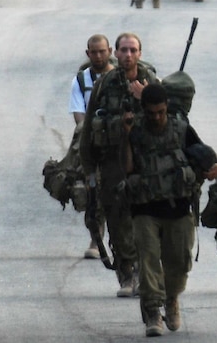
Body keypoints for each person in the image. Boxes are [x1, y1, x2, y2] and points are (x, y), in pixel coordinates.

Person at [122, 83, 217, 336]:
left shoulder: (181, 130)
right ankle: (153, 310)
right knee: (148, 262)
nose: (156, 117)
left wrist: (216, 168)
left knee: (178, 264)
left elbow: (206, 156)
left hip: (178, 208)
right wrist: (126, 135)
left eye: (160, 111)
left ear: (167, 107)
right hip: (145, 208)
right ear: (143, 110)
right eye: (151, 113)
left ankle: (172, 299)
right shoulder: (135, 132)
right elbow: (127, 168)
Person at [80, 32, 158, 297]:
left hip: (147, 163)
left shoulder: (151, 82)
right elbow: (89, 128)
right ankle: (126, 273)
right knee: (117, 219)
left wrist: (144, 99)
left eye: (132, 50)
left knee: (146, 220)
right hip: (112, 161)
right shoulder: (105, 85)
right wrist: (89, 172)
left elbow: (169, 122)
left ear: (140, 52)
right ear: (116, 52)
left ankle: (143, 272)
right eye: (123, 50)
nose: (127, 55)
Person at [68, 34, 115, 259]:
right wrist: (90, 133)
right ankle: (96, 240)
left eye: (102, 51)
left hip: (118, 141)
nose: (98, 56)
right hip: (92, 142)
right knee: (90, 191)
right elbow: (78, 113)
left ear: (110, 51)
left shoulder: (120, 76)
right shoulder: (81, 80)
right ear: (88, 54)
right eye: (93, 52)